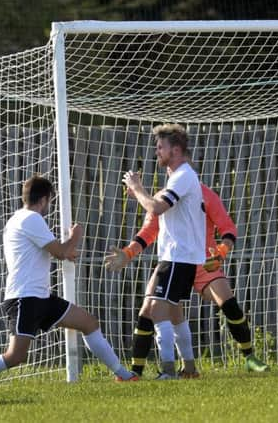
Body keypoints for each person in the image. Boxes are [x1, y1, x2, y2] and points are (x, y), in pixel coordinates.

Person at [0, 175, 137, 384]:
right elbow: (60, 252)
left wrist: (65, 250)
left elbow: (50, 251)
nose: (49, 206)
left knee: (88, 322)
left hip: (40, 297)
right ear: (43, 199)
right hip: (24, 298)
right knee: (15, 356)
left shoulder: (17, 219)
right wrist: (76, 235)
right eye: (49, 201)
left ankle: (123, 374)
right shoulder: (31, 219)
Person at [105, 183, 269, 374]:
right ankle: (137, 372)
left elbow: (228, 228)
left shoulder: (205, 195)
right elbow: (148, 232)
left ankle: (249, 357)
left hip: (203, 263)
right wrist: (128, 253)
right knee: (148, 310)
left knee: (228, 302)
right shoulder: (161, 199)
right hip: (175, 262)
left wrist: (221, 252)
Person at [120, 123, 206, 379]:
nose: (156, 152)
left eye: (161, 148)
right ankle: (189, 368)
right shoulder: (179, 176)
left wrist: (137, 188)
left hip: (179, 256)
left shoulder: (183, 176)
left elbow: (156, 208)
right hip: (175, 256)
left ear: (176, 150)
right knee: (170, 312)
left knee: (157, 311)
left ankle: (167, 371)